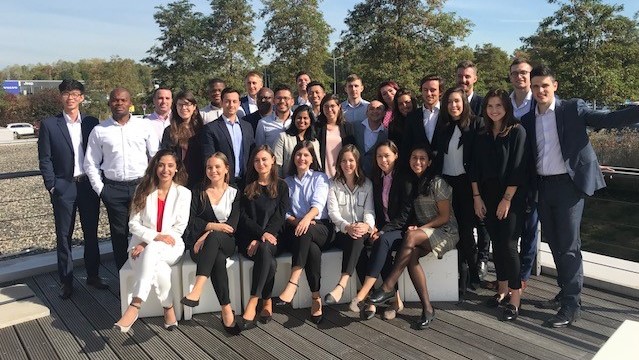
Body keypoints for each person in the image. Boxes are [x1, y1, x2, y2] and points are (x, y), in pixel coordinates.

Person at [522, 64, 639, 327]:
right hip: (543, 186)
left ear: (555, 86)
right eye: (535, 86)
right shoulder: (529, 119)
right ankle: (566, 291)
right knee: (553, 242)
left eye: (544, 85)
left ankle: (571, 305)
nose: (540, 90)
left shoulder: (572, 108)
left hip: (568, 187)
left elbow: (608, 119)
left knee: (569, 247)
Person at [369, 144, 458, 330]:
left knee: (410, 236)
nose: (417, 162)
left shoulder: (437, 182)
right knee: (411, 258)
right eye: (414, 158)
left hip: (445, 231)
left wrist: (420, 228)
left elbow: (444, 217)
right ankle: (428, 309)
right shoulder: (411, 182)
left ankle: (387, 287)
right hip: (423, 234)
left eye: (422, 158)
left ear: (429, 162)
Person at [37, 79, 107, 299]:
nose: (71, 97)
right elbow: (44, 158)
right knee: (64, 236)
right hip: (63, 186)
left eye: (75, 93)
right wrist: (51, 185)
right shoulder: (49, 124)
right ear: (61, 96)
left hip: (87, 186)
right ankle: (66, 281)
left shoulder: (91, 122)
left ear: (82, 97)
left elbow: (100, 153)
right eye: (66, 93)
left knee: (91, 233)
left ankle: (93, 275)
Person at [113, 149, 191, 333]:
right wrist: (151, 240)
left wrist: (148, 241)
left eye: (170, 165)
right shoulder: (143, 189)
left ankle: (136, 304)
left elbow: (179, 228)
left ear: (177, 168)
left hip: (171, 246)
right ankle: (168, 307)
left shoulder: (184, 194)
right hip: (138, 249)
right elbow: (133, 224)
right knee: (161, 271)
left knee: (153, 250)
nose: (165, 169)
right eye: (161, 164)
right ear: (155, 166)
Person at [84, 87, 159, 270]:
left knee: (144, 233)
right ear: (109, 103)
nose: (119, 103)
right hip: (113, 190)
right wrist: (101, 190)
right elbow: (90, 163)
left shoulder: (144, 126)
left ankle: (145, 275)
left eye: (123, 100)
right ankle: (124, 279)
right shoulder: (99, 130)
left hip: (140, 187)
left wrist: (152, 185)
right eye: (115, 100)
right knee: (119, 236)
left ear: (130, 102)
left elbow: (155, 157)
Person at [471, 89, 528, 321]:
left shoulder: (517, 131)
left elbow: (519, 167)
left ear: (507, 107)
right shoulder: (482, 133)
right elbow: (474, 166)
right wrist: (476, 197)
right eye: (490, 106)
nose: (494, 110)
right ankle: (502, 290)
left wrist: (506, 199)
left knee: (508, 245)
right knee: (496, 242)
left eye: (499, 106)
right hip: (486, 196)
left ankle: (515, 298)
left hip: (511, 198)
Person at [181, 152, 242, 335]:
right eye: (209, 167)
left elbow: (231, 227)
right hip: (200, 247)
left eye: (217, 167)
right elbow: (189, 221)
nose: (213, 170)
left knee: (215, 239)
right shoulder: (197, 192)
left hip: (226, 242)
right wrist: (212, 226)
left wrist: (206, 233)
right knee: (217, 259)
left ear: (226, 169)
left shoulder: (235, 192)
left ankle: (197, 288)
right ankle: (226, 310)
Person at [433, 86, 484, 293]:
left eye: (457, 101)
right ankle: (453, 275)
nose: (453, 105)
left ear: (464, 103)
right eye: (449, 102)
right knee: (449, 230)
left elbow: (478, 161)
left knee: (465, 232)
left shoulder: (476, 124)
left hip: (467, 185)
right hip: (446, 185)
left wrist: (477, 193)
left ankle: (470, 275)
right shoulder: (443, 126)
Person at [276, 141, 333, 324]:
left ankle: (293, 282)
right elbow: (284, 211)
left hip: (321, 227)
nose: (302, 158)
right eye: (298, 154)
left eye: (306, 155)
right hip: (298, 229)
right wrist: (296, 221)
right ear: (294, 157)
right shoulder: (287, 182)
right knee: (312, 250)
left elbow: (318, 204)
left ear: (312, 158)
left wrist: (307, 219)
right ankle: (316, 298)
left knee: (307, 232)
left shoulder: (320, 177)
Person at [352, 140, 410, 320]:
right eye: (379, 156)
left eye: (387, 156)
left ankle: (366, 295)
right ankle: (396, 300)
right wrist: (374, 226)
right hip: (382, 227)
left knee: (382, 241)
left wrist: (383, 230)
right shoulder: (376, 179)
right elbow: (375, 209)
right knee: (366, 242)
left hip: (401, 229)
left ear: (396, 156)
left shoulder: (404, 178)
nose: (383, 160)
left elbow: (405, 214)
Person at [237, 145, 289, 329]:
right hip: (248, 238)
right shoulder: (247, 185)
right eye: (257, 160)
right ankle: (266, 300)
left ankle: (253, 300)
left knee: (266, 248)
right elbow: (243, 217)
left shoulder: (282, 186)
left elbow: (280, 216)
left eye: (264, 159)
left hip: (274, 238)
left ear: (273, 160)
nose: (261, 163)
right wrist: (259, 235)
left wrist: (263, 237)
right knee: (270, 260)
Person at [325, 145, 375, 307]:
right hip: (342, 232)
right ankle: (370, 299)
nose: (348, 164)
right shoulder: (333, 184)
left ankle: (341, 285)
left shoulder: (366, 184)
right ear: (339, 163)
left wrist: (366, 225)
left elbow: (369, 210)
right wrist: (347, 227)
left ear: (357, 162)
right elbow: (333, 213)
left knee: (358, 237)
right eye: (344, 161)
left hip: (362, 231)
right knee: (355, 241)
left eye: (351, 160)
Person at [508, 58, 538, 291]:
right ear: (510, 77)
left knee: (529, 227)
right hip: (507, 175)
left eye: (524, 73)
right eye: (515, 73)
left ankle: (524, 275)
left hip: (532, 174)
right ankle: (509, 273)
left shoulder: (538, 102)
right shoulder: (504, 103)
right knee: (509, 228)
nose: (520, 76)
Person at [202, 88, 255, 190]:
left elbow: (251, 153)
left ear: (239, 103)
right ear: (221, 103)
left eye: (234, 101)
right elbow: (208, 158)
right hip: (222, 183)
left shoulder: (247, 127)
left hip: (246, 183)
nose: (231, 105)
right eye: (227, 101)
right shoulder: (211, 128)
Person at [161, 90, 205, 189]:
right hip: (178, 180)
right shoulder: (169, 131)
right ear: (175, 107)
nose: (184, 108)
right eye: (180, 105)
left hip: (200, 179)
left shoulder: (203, 129)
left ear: (194, 107)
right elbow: (166, 156)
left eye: (187, 104)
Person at [402, 75, 444, 160]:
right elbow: (406, 146)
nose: (429, 93)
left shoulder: (448, 114)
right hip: (420, 169)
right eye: (425, 90)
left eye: (432, 90)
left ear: (440, 92)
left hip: (445, 167)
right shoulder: (412, 117)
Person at [273, 105, 322, 177]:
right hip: (288, 180)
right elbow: (277, 164)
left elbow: (317, 164)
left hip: (309, 182)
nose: (302, 121)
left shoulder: (314, 142)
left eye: (305, 118)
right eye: (299, 118)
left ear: (310, 120)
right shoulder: (283, 137)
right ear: (294, 119)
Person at [316, 93, 355, 178]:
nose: (329, 109)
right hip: (321, 174)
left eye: (332, 106)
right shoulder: (317, 127)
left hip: (342, 174)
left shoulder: (347, 127)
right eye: (326, 106)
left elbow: (352, 151)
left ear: (339, 107)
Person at [353, 100, 388, 177]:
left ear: (384, 113)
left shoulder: (386, 134)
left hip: (375, 176)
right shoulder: (355, 127)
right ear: (366, 112)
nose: (375, 111)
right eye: (371, 109)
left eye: (378, 109)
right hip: (355, 173)